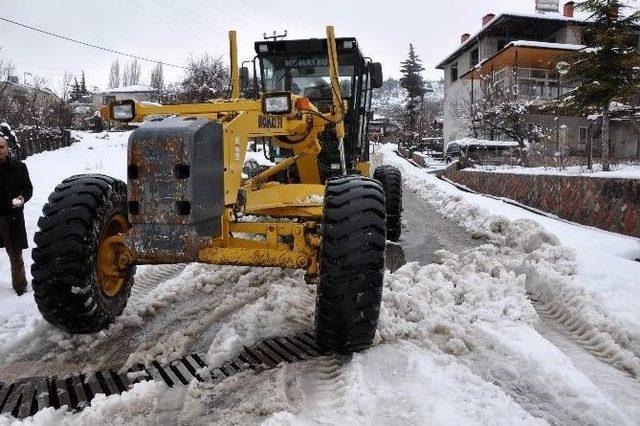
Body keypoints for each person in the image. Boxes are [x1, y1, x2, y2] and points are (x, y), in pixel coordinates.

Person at [0, 126, 32, 295]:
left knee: (15, 255)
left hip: (11, 218)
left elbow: (28, 189)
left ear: (7, 148)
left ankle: (20, 287)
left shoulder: (19, 168)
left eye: (1, 146)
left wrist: (22, 198)